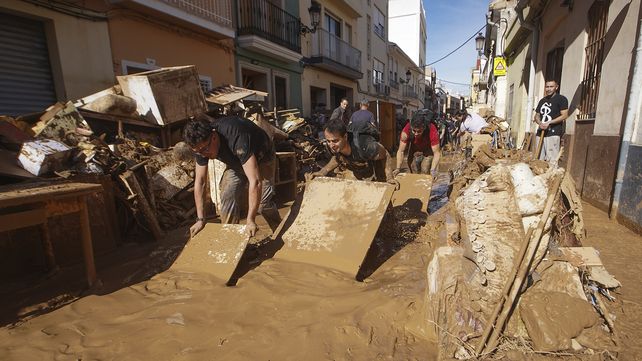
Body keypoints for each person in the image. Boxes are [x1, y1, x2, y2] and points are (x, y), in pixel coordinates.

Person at [183, 114, 282, 238]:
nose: (203, 155)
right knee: (227, 194)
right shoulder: (201, 146)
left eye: (204, 150)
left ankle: (280, 232)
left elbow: (255, 181)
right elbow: (201, 181)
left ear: (214, 137)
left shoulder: (237, 136)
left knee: (263, 203)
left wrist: (250, 220)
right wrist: (200, 219)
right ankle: (231, 239)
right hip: (236, 161)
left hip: (262, 157)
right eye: (198, 152)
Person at [306, 119, 395, 183]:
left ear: (345, 137)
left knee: (381, 186)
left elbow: (386, 154)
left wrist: (389, 177)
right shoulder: (332, 146)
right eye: (328, 141)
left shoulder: (365, 145)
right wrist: (323, 171)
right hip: (357, 166)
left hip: (374, 161)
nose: (331, 145)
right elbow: (337, 158)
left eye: (335, 141)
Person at [393, 110, 441, 178]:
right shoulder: (406, 130)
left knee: (425, 169)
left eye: (419, 131)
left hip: (428, 150)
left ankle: (425, 187)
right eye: (414, 131)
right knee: (414, 171)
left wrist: (433, 170)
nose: (416, 134)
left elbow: (437, 153)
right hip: (414, 150)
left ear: (424, 128)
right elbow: (401, 151)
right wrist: (398, 168)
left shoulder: (432, 129)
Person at [533, 79, 568, 164]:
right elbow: (537, 115)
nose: (549, 89)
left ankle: (552, 176)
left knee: (551, 160)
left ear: (556, 87)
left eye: (551, 87)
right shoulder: (542, 101)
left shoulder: (561, 99)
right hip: (540, 132)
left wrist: (550, 122)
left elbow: (564, 115)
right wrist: (540, 123)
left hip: (553, 133)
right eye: (547, 87)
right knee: (539, 160)